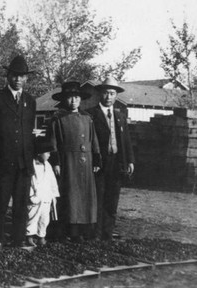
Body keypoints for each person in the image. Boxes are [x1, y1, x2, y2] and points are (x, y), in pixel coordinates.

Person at [0, 55, 36, 249]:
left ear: (26, 78)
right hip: (2, 162)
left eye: (22, 76)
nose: (18, 79)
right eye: (14, 75)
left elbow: (28, 132)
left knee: (21, 205)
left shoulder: (30, 101)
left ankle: (18, 240)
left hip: (23, 163)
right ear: (8, 76)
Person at [48, 81, 101, 243]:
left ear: (80, 99)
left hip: (86, 162)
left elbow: (94, 140)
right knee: (71, 196)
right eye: (70, 98)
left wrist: (97, 158)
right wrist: (56, 162)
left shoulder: (87, 118)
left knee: (86, 196)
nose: (73, 101)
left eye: (76, 98)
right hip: (68, 162)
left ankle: (86, 229)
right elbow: (53, 142)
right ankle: (70, 230)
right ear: (65, 100)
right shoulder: (58, 118)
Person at [87, 76, 135, 241]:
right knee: (99, 198)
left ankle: (107, 234)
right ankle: (96, 234)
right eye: (106, 93)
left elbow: (126, 140)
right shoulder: (91, 115)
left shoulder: (120, 115)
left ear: (116, 95)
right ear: (100, 94)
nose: (108, 97)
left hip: (117, 163)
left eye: (112, 93)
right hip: (100, 162)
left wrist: (130, 160)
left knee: (112, 199)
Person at [25, 140, 60, 247]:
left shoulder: (48, 165)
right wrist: (32, 195)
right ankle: (29, 237)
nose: (49, 155)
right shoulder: (31, 165)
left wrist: (54, 194)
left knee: (44, 219)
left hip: (46, 197)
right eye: (47, 153)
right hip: (36, 197)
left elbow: (52, 181)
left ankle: (41, 237)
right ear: (39, 153)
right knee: (32, 217)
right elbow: (30, 182)